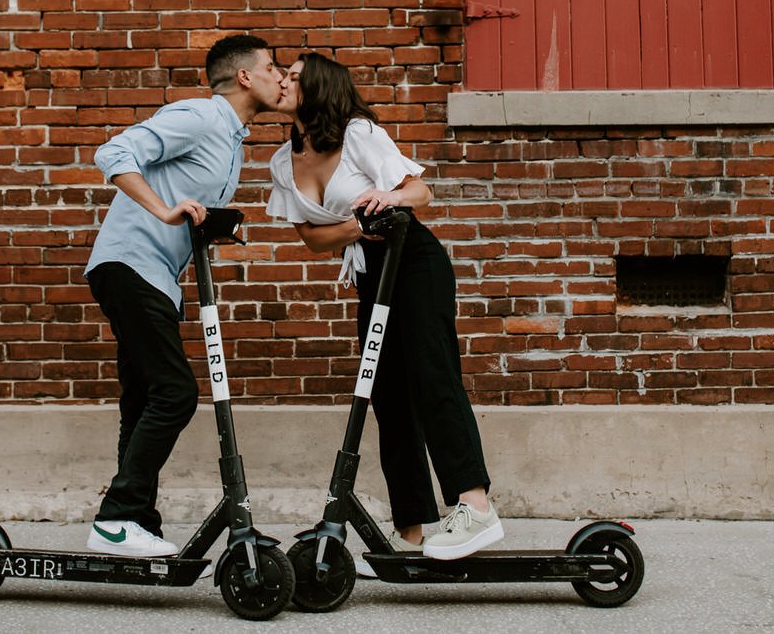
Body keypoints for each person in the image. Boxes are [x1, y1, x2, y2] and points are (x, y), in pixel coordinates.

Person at [266, 52, 500, 563]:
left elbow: (421, 190)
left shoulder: (358, 134)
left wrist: (389, 201)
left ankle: (475, 507)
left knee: (432, 376)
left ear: (320, 86)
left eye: (294, 76)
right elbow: (310, 238)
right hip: (371, 274)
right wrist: (356, 227)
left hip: (413, 262)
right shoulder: (283, 160)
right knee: (389, 397)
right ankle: (412, 530)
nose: (282, 81)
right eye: (281, 74)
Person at [84, 34, 284, 557]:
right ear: (245, 76)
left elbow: (186, 199)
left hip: (153, 276)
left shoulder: (232, 141)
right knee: (175, 394)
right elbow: (114, 152)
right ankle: (116, 518)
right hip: (131, 264)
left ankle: (135, 523)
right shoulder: (201, 117)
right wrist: (162, 210)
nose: (280, 76)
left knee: (145, 398)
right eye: (272, 67)